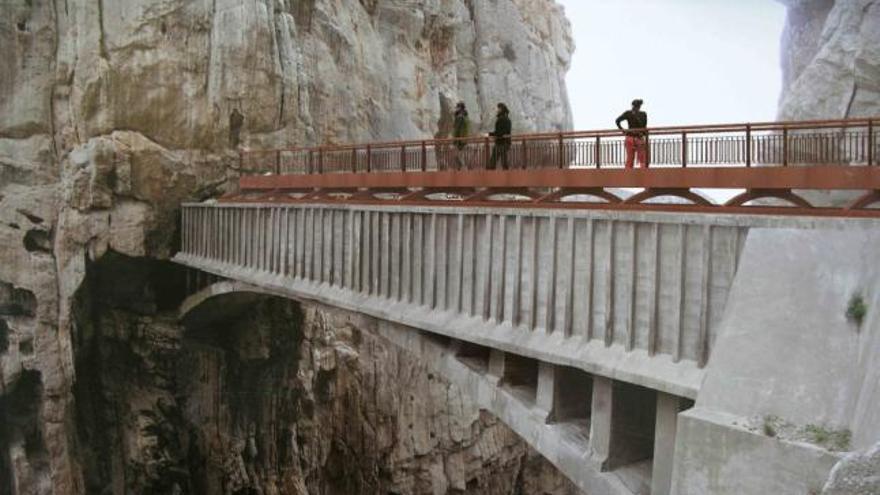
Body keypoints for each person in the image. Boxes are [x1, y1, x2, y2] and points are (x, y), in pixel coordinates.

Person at [615, 99, 649, 168]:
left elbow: (617, 121)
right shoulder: (643, 114)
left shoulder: (628, 113)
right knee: (642, 159)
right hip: (639, 137)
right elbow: (644, 126)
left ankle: (628, 175)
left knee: (630, 159)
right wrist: (643, 133)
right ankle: (644, 174)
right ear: (639, 106)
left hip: (630, 137)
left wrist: (623, 130)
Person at [488, 103, 512, 170]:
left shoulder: (501, 119)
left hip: (501, 143)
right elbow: (505, 132)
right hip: (504, 142)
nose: (497, 109)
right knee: (503, 161)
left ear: (501, 109)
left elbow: (500, 133)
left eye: (498, 108)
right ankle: (507, 176)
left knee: (493, 161)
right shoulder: (507, 119)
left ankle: (490, 176)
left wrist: (489, 134)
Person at [452, 102, 470, 169]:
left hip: (459, 140)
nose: (456, 108)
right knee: (460, 155)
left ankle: (463, 169)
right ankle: (463, 168)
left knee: (457, 155)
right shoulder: (466, 116)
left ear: (460, 108)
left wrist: (454, 140)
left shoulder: (460, 117)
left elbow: (457, 129)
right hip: (464, 139)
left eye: (457, 107)